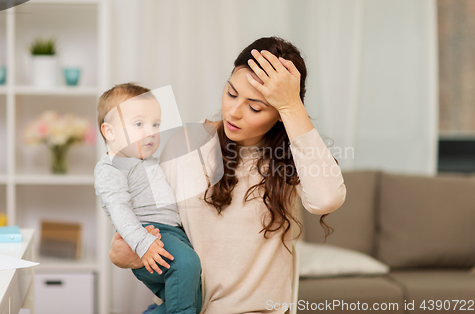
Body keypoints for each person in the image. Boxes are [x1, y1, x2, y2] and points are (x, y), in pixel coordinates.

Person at [109, 37, 347, 314]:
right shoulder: (186, 143)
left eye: (255, 107)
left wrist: (292, 106)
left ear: (280, 112)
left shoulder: (294, 157)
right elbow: (165, 234)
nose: (233, 112)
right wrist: (133, 259)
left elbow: (326, 199)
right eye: (232, 93)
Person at [94, 83, 202, 314]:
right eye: (139, 124)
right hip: (149, 235)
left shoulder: (146, 161)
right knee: (187, 264)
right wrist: (144, 244)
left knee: (195, 295)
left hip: (173, 234)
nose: (151, 132)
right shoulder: (111, 168)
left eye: (156, 124)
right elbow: (119, 210)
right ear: (110, 132)